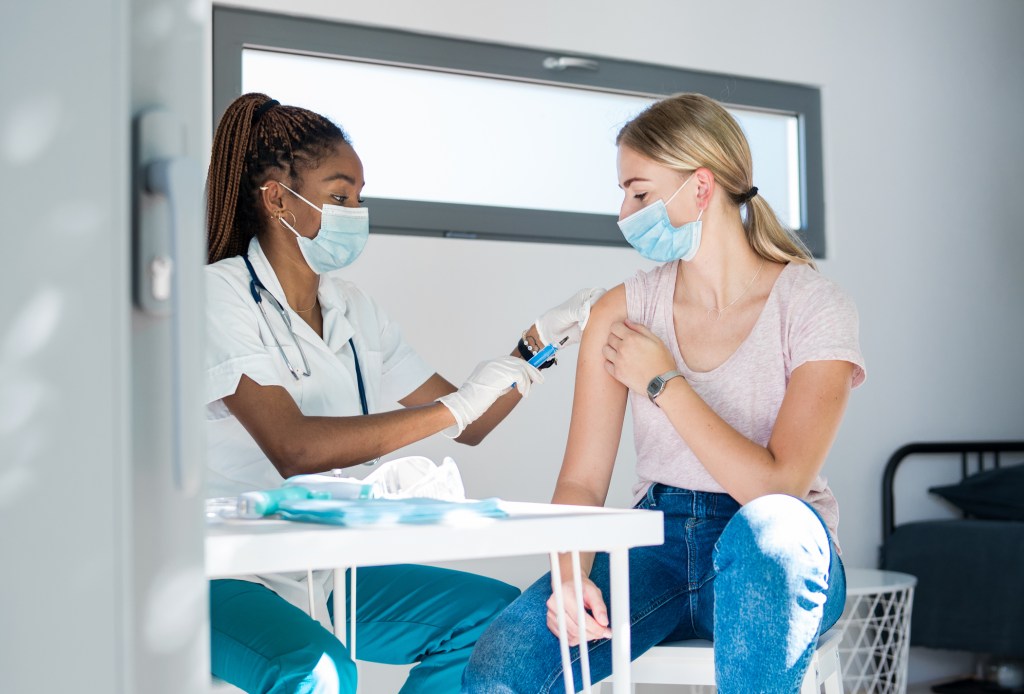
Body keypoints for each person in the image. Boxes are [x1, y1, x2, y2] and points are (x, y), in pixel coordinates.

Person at [463, 92, 866, 693]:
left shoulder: (814, 306)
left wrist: (663, 382)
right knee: (502, 670)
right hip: (655, 542)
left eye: (639, 192)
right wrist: (571, 573)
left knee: (772, 534)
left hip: (775, 550)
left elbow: (777, 490)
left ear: (701, 188)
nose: (623, 211)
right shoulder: (623, 310)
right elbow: (581, 481)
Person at [203, 92, 605, 694]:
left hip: (325, 572)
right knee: (316, 673)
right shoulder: (220, 296)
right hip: (224, 573)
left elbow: (469, 422)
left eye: (360, 196)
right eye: (339, 196)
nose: (356, 211)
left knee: (494, 621)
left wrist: (536, 348)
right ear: (277, 198)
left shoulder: (354, 309)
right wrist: (453, 407)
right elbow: (294, 448)